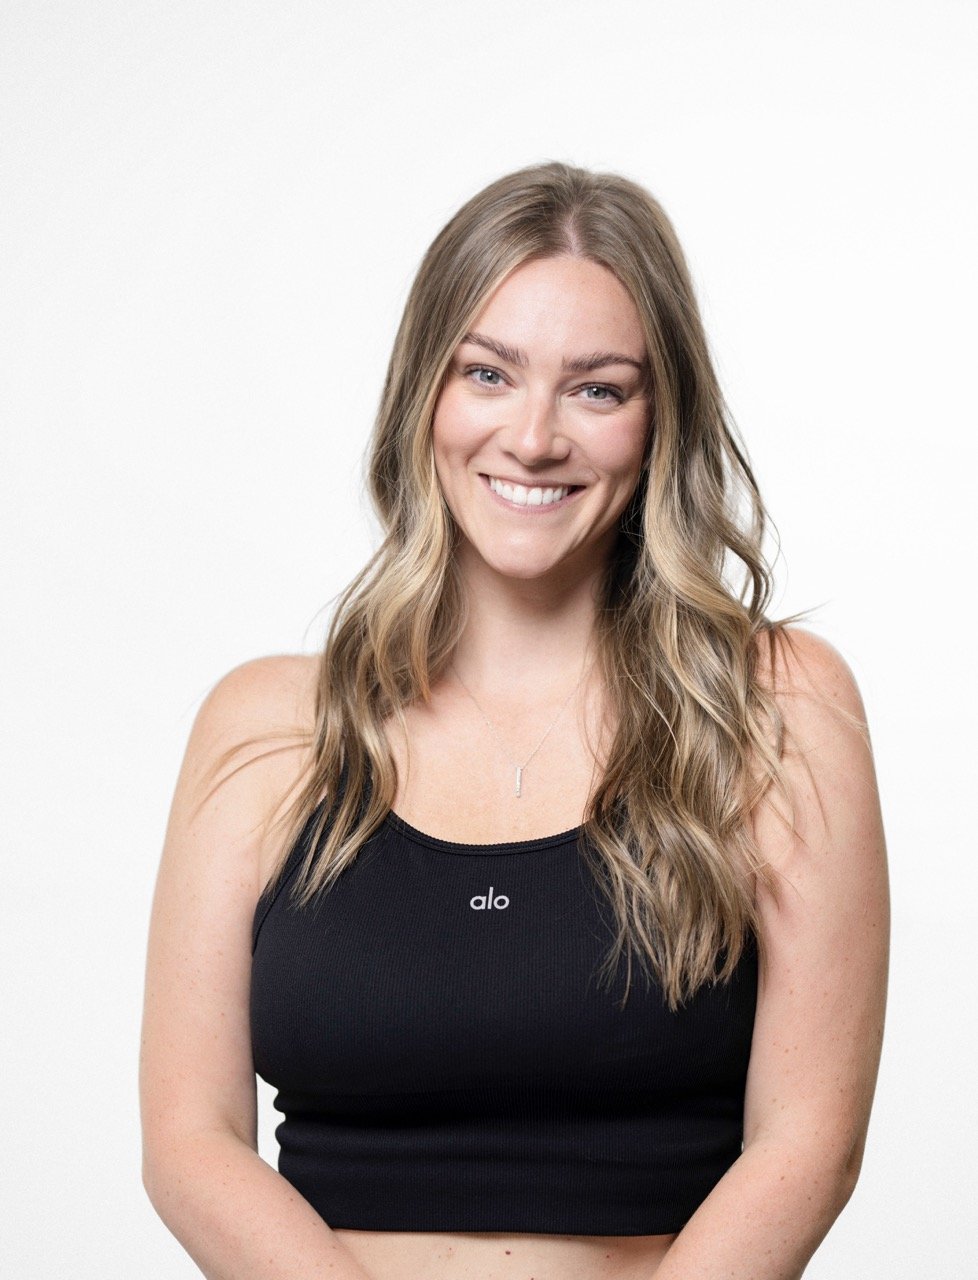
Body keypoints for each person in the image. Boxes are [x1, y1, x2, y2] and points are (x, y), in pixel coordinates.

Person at [139, 161, 889, 1280]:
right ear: (424, 393)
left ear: (659, 418)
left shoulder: (777, 708)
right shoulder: (264, 729)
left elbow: (809, 1147)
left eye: (597, 389)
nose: (534, 438)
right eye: (488, 373)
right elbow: (190, 1144)